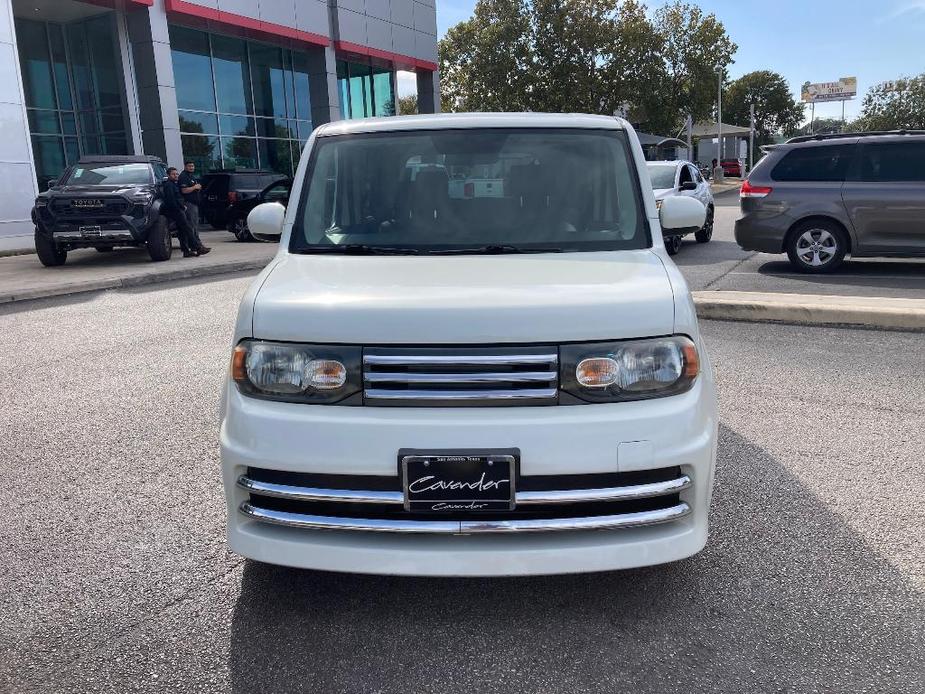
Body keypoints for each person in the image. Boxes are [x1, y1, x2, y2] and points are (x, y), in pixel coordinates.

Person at [162, 167, 210, 257]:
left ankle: (186, 251)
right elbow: (171, 200)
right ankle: (198, 247)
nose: (176, 175)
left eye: (176, 174)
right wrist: (181, 207)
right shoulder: (169, 185)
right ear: (168, 175)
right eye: (173, 174)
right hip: (175, 211)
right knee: (188, 228)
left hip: (178, 210)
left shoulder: (174, 184)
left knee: (182, 231)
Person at [177, 161, 204, 250]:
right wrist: (194, 187)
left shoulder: (191, 176)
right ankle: (195, 245)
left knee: (195, 225)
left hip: (195, 204)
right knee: (192, 225)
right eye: (189, 166)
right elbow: (184, 190)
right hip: (189, 204)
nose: (191, 168)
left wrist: (197, 187)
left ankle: (197, 244)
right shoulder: (183, 176)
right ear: (185, 167)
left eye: (193, 166)